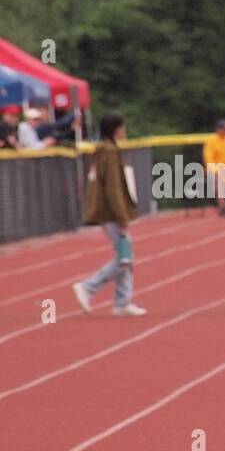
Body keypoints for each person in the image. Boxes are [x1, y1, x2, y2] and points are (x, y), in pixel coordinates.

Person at [71, 112, 146, 317]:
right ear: (115, 129)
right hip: (110, 213)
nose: (125, 131)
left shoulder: (102, 151)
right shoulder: (110, 152)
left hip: (106, 211)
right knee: (125, 258)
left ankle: (122, 302)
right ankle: (88, 287)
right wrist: (122, 218)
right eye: (122, 127)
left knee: (126, 257)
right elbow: (113, 188)